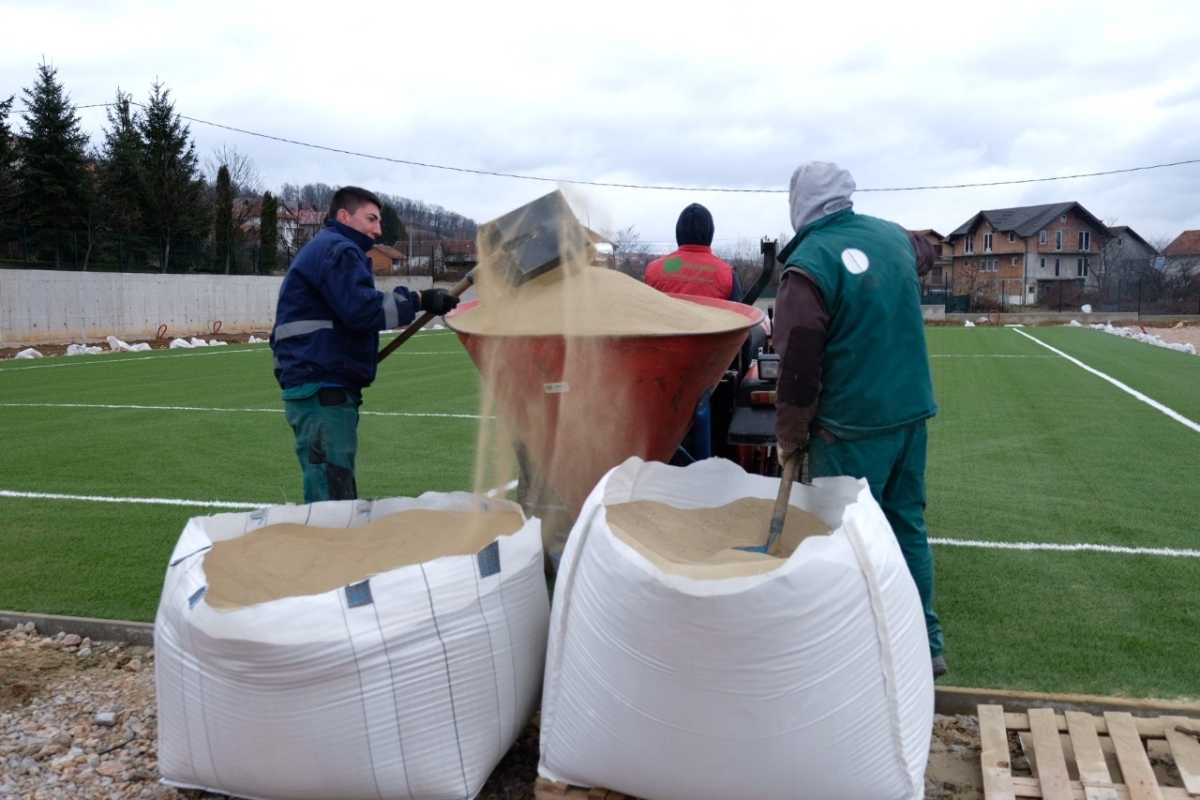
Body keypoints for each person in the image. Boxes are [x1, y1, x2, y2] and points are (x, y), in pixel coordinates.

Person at [771, 162, 946, 677]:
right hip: (909, 414)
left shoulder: (808, 265)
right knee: (906, 524)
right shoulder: (894, 238)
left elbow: (799, 367)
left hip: (847, 427)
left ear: (799, 203)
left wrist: (790, 435)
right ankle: (925, 641)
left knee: (839, 536)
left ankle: (846, 648)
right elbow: (926, 249)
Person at [270, 186, 459, 503]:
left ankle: (333, 543)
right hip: (322, 388)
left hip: (320, 382)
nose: (378, 229)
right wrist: (419, 299)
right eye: (371, 219)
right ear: (344, 216)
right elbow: (362, 310)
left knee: (332, 483)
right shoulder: (338, 250)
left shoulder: (328, 249)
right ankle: (330, 549)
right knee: (332, 491)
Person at [645, 203, 742, 301]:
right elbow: (738, 314)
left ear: (678, 231)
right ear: (710, 232)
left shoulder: (654, 269)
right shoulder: (727, 275)